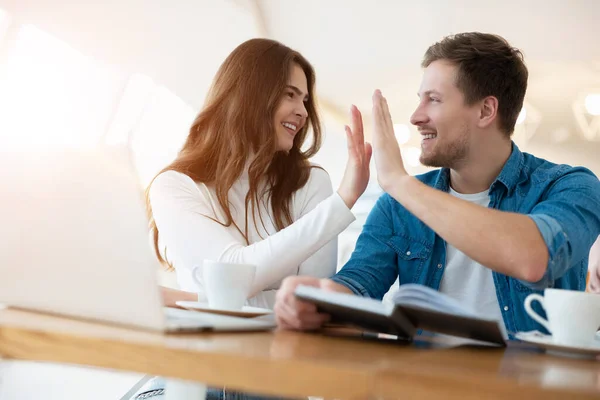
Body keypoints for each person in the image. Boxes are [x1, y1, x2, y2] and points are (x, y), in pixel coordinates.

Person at [274, 32, 600, 338]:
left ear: (486, 110)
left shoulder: (570, 186)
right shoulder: (398, 205)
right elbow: (359, 283)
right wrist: (321, 299)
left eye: (433, 99)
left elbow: (533, 258)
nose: (416, 116)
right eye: (420, 99)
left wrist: (400, 183)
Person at [133, 39, 371, 400]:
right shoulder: (175, 186)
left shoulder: (312, 185)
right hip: (191, 375)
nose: (303, 111)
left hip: (274, 383)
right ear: (249, 96)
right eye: (290, 95)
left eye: (304, 100)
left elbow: (306, 309)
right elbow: (236, 269)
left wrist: (193, 298)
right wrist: (338, 207)